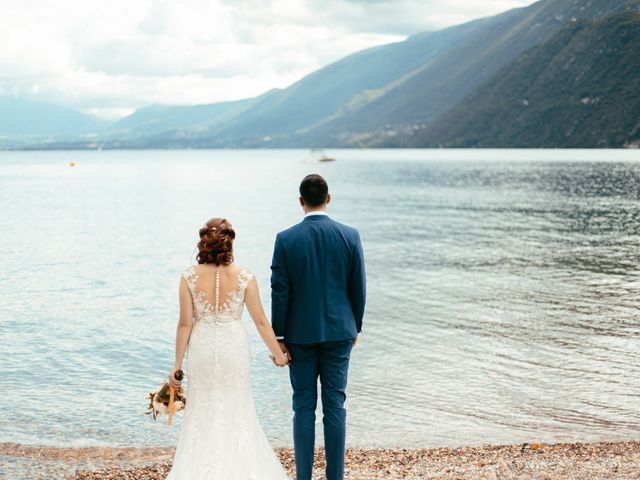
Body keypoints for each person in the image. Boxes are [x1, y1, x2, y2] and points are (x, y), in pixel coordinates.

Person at [166, 217, 290, 479]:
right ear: (230, 242)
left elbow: (185, 325)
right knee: (237, 408)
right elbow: (260, 322)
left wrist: (176, 369)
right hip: (234, 348)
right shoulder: (245, 276)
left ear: (204, 243)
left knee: (202, 410)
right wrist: (279, 355)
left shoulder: (188, 276)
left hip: (201, 348)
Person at [271, 174, 366, 480]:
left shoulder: (285, 239)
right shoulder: (349, 235)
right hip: (340, 331)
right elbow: (358, 288)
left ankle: (303, 477)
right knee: (335, 405)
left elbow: (280, 290)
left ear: (301, 201)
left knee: (303, 407)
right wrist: (355, 328)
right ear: (328, 198)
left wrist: (279, 336)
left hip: (299, 335)